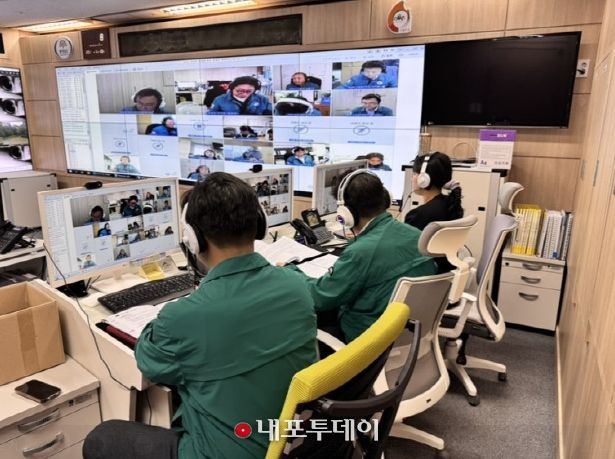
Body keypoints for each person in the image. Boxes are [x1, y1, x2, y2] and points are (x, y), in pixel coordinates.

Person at [83, 172, 317, 459]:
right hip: (289, 441)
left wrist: (180, 312)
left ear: (192, 240)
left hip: (225, 452)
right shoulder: (296, 284)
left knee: (103, 438)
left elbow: (151, 363)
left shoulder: (183, 316)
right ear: (259, 224)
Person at [284, 170, 436, 343]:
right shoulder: (417, 236)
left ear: (346, 212)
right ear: (384, 198)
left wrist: (290, 271)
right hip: (411, 335)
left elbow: (320, 297)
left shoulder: (361, 252)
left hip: (366, 340)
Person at [404, 152, 464, 273]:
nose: (412, 178)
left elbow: (404, 250)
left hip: (423, 274)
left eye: (414, 174)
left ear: (424, 179)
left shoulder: (418, 215)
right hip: (444, 273)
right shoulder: (450, 204)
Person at [208, 76, 272, 115]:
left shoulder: (263, 99)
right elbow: (211, 114)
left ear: (255, 90)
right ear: (232, 88)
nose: (244, 94)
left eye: (248, 91)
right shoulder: (219, 99)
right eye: (239, 90)